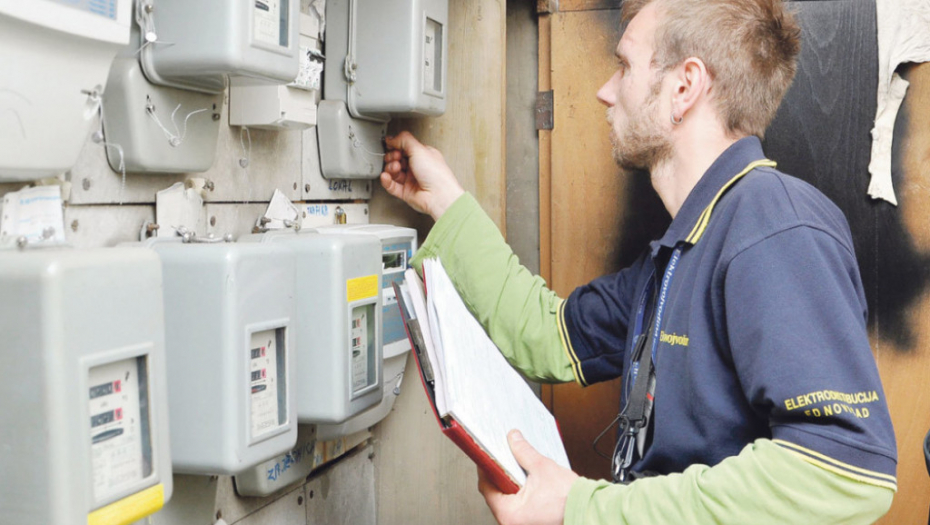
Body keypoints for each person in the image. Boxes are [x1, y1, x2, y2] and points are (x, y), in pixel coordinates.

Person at [380, 0, 898, 523]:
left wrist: (583, 509)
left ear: (684, 87)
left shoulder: (773, 227)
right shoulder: (682, 248)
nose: (606, 91)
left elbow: (842, 473)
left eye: (625, 65)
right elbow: (549, 334)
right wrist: (447, 201)